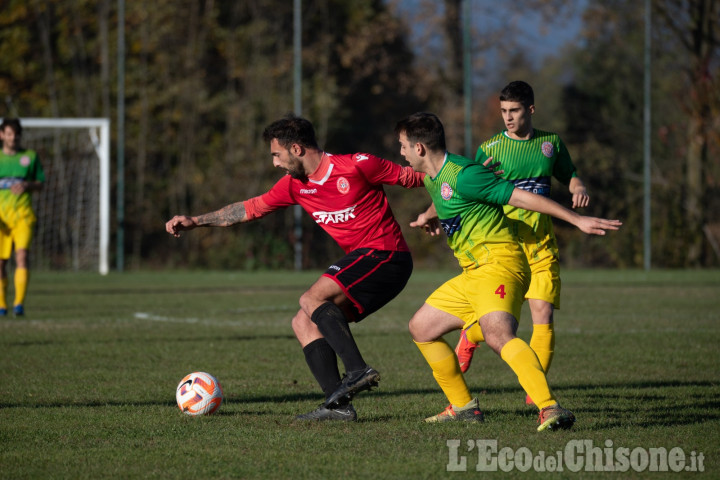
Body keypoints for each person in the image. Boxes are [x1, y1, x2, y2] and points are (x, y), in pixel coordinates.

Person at [165, 114, 426, 421]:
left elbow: (421, 175)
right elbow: (249, 208)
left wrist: (461, 184)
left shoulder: (357, 165)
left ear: (297, 150)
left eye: (277, 154)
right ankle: (337, 406)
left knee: (311, 298)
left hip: (387, 255)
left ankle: (358, 370)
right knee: (303, 323)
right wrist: (197, 221)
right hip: (366, 263)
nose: (274, 162)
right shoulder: (293, 186)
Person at [397, 112, 620, 431]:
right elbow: (446, 196)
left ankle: (549, 407)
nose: (401, 153)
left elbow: (522, 197)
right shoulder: (435, 176)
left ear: (419, 148)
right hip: (473, 273)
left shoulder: (465, 174)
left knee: (498, 335)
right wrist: (430, 216)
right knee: (421, 327)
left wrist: (576, 219)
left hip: (500, 264)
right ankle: (462, 407)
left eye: (403, 146)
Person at [454, 80, 589, 406]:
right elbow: (473, 190)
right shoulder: (489, 149)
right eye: (503, 111)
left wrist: (577, 186)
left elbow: (569, 173)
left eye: (514, 110)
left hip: (541, 244)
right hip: (504, 246)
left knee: (543, 315)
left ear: (530, 109)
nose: (508, 117)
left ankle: (536, 393)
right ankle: (471, 335)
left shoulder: (550, 143)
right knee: (502, 323)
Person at [0, 118, 45, 316]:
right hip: (1, 218)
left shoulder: (30, 157)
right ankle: (2, 304)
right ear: (2, 135)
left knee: (22, 256)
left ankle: (19, 303)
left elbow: (40, 183)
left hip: (23, 217)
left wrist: (27, 185)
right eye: (9, 134)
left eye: (16, 134)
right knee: (1, 263)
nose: (13, 138)